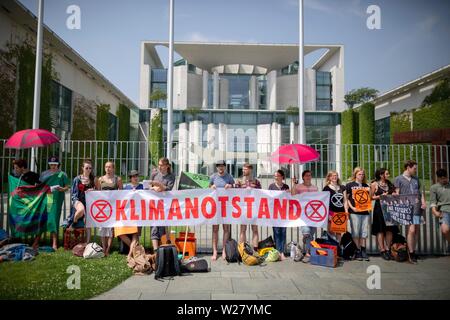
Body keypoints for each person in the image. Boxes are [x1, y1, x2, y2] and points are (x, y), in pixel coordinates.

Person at [394, 160, 426, 263]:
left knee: (416, 230)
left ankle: (412, 250)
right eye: (414, 168)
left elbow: (420, 192)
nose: (415, 170)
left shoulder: (416, 179)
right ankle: (411, 253)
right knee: (411, 230)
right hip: (407, 208)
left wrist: (423, 202)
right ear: (408, 167)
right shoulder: (398, 179)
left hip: (417, 208)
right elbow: (397, 193)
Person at [39, 156, 70, 250]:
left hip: (56, 200)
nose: (53, 166)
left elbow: (67, 187)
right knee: (42, 218)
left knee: (54, 219)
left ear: (58, 165)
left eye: (55, 165)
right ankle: (37, 241)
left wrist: (62, 189)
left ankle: (54, 243)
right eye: (51, 164)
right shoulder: (44, 174)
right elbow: (39, 185)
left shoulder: (62, 174)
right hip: (46, 198)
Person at [370, 168, 399, 261]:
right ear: (381, 175)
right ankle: (382, 250)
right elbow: (370, 197)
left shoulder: (390, 183)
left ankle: (388, 248)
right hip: (379, 209)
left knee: (389, 229)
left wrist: (394, 194)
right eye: (386, 173)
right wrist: (381, 196)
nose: (388, 175)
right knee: (380, 229)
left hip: (390, 208)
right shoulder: (374, 184)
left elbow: (395, 193)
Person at [12, 159, 41, 250]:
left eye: (16, 168)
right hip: (21, 204)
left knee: (36, 221)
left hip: (32, 203)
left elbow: (40, 187)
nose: (15, 170)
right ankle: (19, 239)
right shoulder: (19, 177)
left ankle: (36, 242)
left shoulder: (34, 175)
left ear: (23, 167)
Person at [96, 161, 123, 256]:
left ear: (113, 168)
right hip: (102, 207)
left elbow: (121, 193)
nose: (108, 169)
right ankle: (103, 247)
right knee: (102, 227)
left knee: (111, 228)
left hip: (113, 207)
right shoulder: (100, 179)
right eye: (106, 167)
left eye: (110, 167)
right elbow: (97, 193)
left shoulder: (118, 179)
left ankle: (108, 248)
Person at [209, 160, 234, 261]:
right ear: (216, 168)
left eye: (222, 166)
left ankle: (224, 250)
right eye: (219, 166)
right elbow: (207, 187)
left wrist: (230, 186)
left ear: (225, 167)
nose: (221, 168)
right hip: (215, 206)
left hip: (226, 207)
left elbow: (235, 187)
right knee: (215, 229)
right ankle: (214, 251)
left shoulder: (229, 177)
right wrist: (211, 186)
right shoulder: (213, 177)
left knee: (226, 229)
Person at [292, 170, 318, 263]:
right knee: (307, 232)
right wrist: (294, 184)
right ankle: (307, 253)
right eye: (306, 175)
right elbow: (293, 195)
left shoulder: (315, 187)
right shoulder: (299, 186)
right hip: (303, 214)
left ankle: (306, 250)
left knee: (311, 235)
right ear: (303, 177)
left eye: (310, 175)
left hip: (313, 215)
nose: (308, 177)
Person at [149, 157, 175, 251]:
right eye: (159, 165)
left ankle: (163, 249)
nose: (160, 167)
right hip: (154, 204)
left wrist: (158, 186)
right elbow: (149, 186)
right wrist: (155, 188)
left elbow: (168, 188)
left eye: (162, 165)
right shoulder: (154, 174)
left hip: (165, 204)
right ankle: (156, 250)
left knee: (163, 226)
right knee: (154, 226)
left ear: (167, 166)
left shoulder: (171, 176)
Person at [345, 167, 370, 261]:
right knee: (355, 232)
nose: (361, 176)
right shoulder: (349, 185)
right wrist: (352, 208)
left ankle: (363, 250)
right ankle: (357, 250)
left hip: (364, 212)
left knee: (364, 232)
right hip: (354, 212)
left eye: (363, 174)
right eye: (359, 174)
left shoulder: (366, 185)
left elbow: (368, 198)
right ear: (355, 174)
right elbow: (346, 199)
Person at [236, 163, 261, 251]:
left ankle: (255, 250)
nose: (243, 171)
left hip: (254, 208)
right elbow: (235, 195)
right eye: (243, 169)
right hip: (243, 208)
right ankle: (242, 250)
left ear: (250, 170)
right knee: (243, 229)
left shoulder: (256, 182)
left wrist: (254, 190)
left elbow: (261, 195)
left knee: (255, 230)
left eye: (245, 169)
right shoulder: (239, 181)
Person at [116, 170, 141, 258]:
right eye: (133, 176)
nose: (136, 177)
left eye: (137, 176)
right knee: (119, 231)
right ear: (130, 178)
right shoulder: (126, 188)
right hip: (127, 214)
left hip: (138, 214)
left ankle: (131, 253)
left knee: (135, 234)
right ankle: (136, 250)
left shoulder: (142, 187)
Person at [70, 159, 95, 243]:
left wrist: (93, 191)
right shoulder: (77, 179)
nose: (88, 170)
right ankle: (73, 222)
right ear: (82, 168)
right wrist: (75, 201)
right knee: (81, 210)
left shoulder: (93, 179)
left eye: (90, 168)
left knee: (88, 223)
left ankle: (87, 242)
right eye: (86, 168)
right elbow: (73, 193)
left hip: (89, 202)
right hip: (77, 200)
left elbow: (99, 192)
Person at [269, 169, 290, 260]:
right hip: (275, 212)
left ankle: (282, 252)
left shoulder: (286, 186)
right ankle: (278, 251)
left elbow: (289, 197)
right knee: (276, 232)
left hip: (283, 212)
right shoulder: (271, 186)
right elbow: (268, 197)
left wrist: (289, 191)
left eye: (277, 175)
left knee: (283, 232)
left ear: (282, 177)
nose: (276, 177)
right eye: (275, 176)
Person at [323, 170, 348, 243]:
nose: (334, 177)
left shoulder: (343, 187)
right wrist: (327, 214)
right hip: (331, 212)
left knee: (339, 232)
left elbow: (345, 200)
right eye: (332, 176)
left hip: (340, 212)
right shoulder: (326, 188)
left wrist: (346, 212)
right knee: (331, 231)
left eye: (336, 175)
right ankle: (332, 248)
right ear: (329, 177)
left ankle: (338, 248)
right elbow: (325, 202)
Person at [430, 168, 450, 244]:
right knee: (445, 230)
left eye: (445, 178)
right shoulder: (434, 188)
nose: (444, 180)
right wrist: (434, 211)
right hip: (444, 211)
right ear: (438, 178)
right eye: (442, 178)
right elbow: (433, 202)